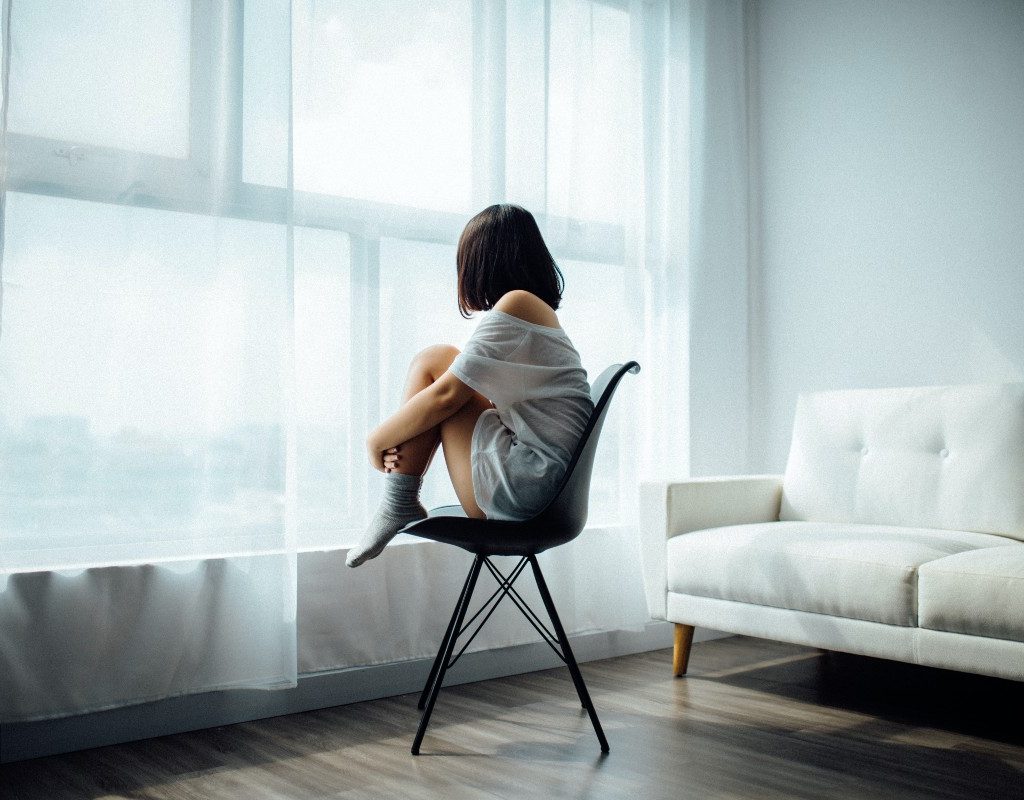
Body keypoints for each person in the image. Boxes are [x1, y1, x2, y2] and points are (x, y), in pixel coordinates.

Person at [346, 204, 594, 567]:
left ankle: (398, 501)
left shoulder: (518, 304)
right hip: (544, 489)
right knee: (442, 361)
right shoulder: (534, 312)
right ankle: (398, 500)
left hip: (527, 491)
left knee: (434, 363)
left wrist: (376, 439)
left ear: (482, 263)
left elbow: (447, 396)